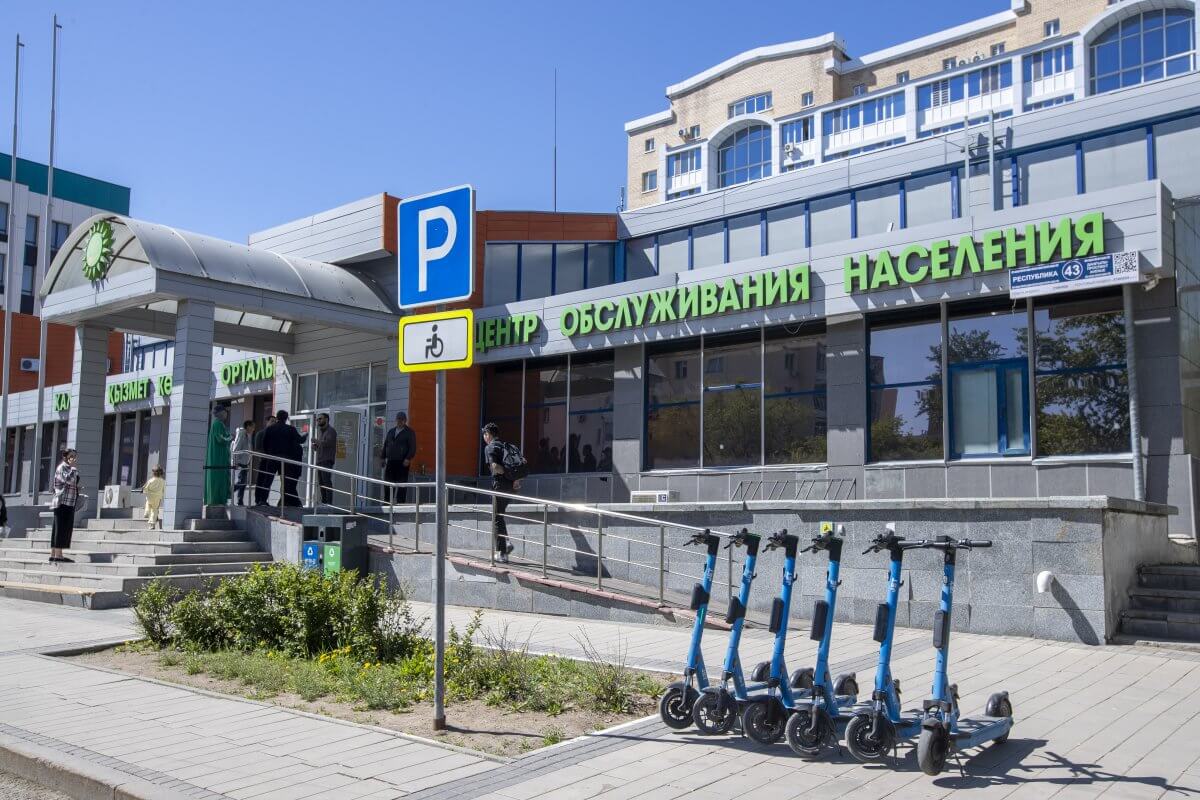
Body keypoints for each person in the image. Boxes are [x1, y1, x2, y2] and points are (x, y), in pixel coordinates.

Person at [481, 422, 523, 563]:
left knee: (496, 517)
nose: (484, 437)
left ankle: (502, 553)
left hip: (500, 486)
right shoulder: (505, 446)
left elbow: (495, 467)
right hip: (511, 486)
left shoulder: (490, 447)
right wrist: (513, 478)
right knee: (500, 515)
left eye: (484, 434)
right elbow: (519, 464)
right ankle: (507, 542)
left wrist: (504, 473)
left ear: (488, 434)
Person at [263, 411, 307, 507]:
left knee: (268, 480)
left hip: (272, 457)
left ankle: (262, 500)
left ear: (277, 418)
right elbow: (300, 440)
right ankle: (290, 502)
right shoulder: (290, 429)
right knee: (286, 482)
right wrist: (306, 434)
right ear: (286, 418)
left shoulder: (270, 429)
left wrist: (268, 454)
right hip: (285, 459)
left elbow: (265, 443)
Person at [49, 448, 80, 563]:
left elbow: (71, 483)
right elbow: (68, 480)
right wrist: (73, 469)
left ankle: (54, 554)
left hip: (68, 501)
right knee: (61, 528)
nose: (73, 458)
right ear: (65, 457)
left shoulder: (68, 468)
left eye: (75, 456)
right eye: (71, 456)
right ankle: (58, 556)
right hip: (62, 502)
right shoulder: (63, 467)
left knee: (59, 528)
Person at [381, 412, 416, 504]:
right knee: (388, 483)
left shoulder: (409, 432)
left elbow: (412, 447)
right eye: (398, 419)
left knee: (401, 484)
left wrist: (408, 458)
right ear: (396, 420)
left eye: (402, 419)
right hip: (391, 461)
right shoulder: (391, 431)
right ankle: (387, 502)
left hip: (402, 462)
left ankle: (400, 503)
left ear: (405, 421)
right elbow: (386, 445)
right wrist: (383, 457)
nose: (399, 421)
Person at [204, 407, 233, 507]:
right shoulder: (218, 424)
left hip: (217, 456)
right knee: (218, 478)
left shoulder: (216, 424)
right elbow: (221, 439)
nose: (226, 414)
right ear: (221, 413)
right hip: (218, 457)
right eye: (225, 412)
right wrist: (231, 437)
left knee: (216, 478)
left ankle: (215, 500)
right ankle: (217, 501)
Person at [312, 413, 338, 505]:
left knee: (326, 482)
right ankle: (324, 502)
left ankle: (329, 503)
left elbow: (327, 443)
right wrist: (315, 446)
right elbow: (321, 445)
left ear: (326, 419)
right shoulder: (320, 431)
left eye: (320, 419)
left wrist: (316, 441)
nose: (318, 421)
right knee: (321, 483)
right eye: (317, 419)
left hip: (326, 460)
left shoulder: (331, 431)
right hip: (319, 460)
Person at [253, 414, 276, 505]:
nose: (274, 423)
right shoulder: (261, 433)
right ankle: (258, 499)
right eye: (272, 421)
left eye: (275, 422)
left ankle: (263, 500)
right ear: (267, 422)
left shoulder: (275, 434)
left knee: (268, 481)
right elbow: (257, 448)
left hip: (272, 461)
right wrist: (264, 456)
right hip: (264, 460)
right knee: (261, 480)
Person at [232, 421, 255, 506]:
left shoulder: (247, 435)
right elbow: (237, 447)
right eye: (252, 427)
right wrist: (235, 461)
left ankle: (240, 500)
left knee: (243, 483)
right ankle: (228, 492)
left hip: (245, 462)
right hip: (241, 462)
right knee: (242, 482)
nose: (253, 429)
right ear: (248, 426)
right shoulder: (242, 433)